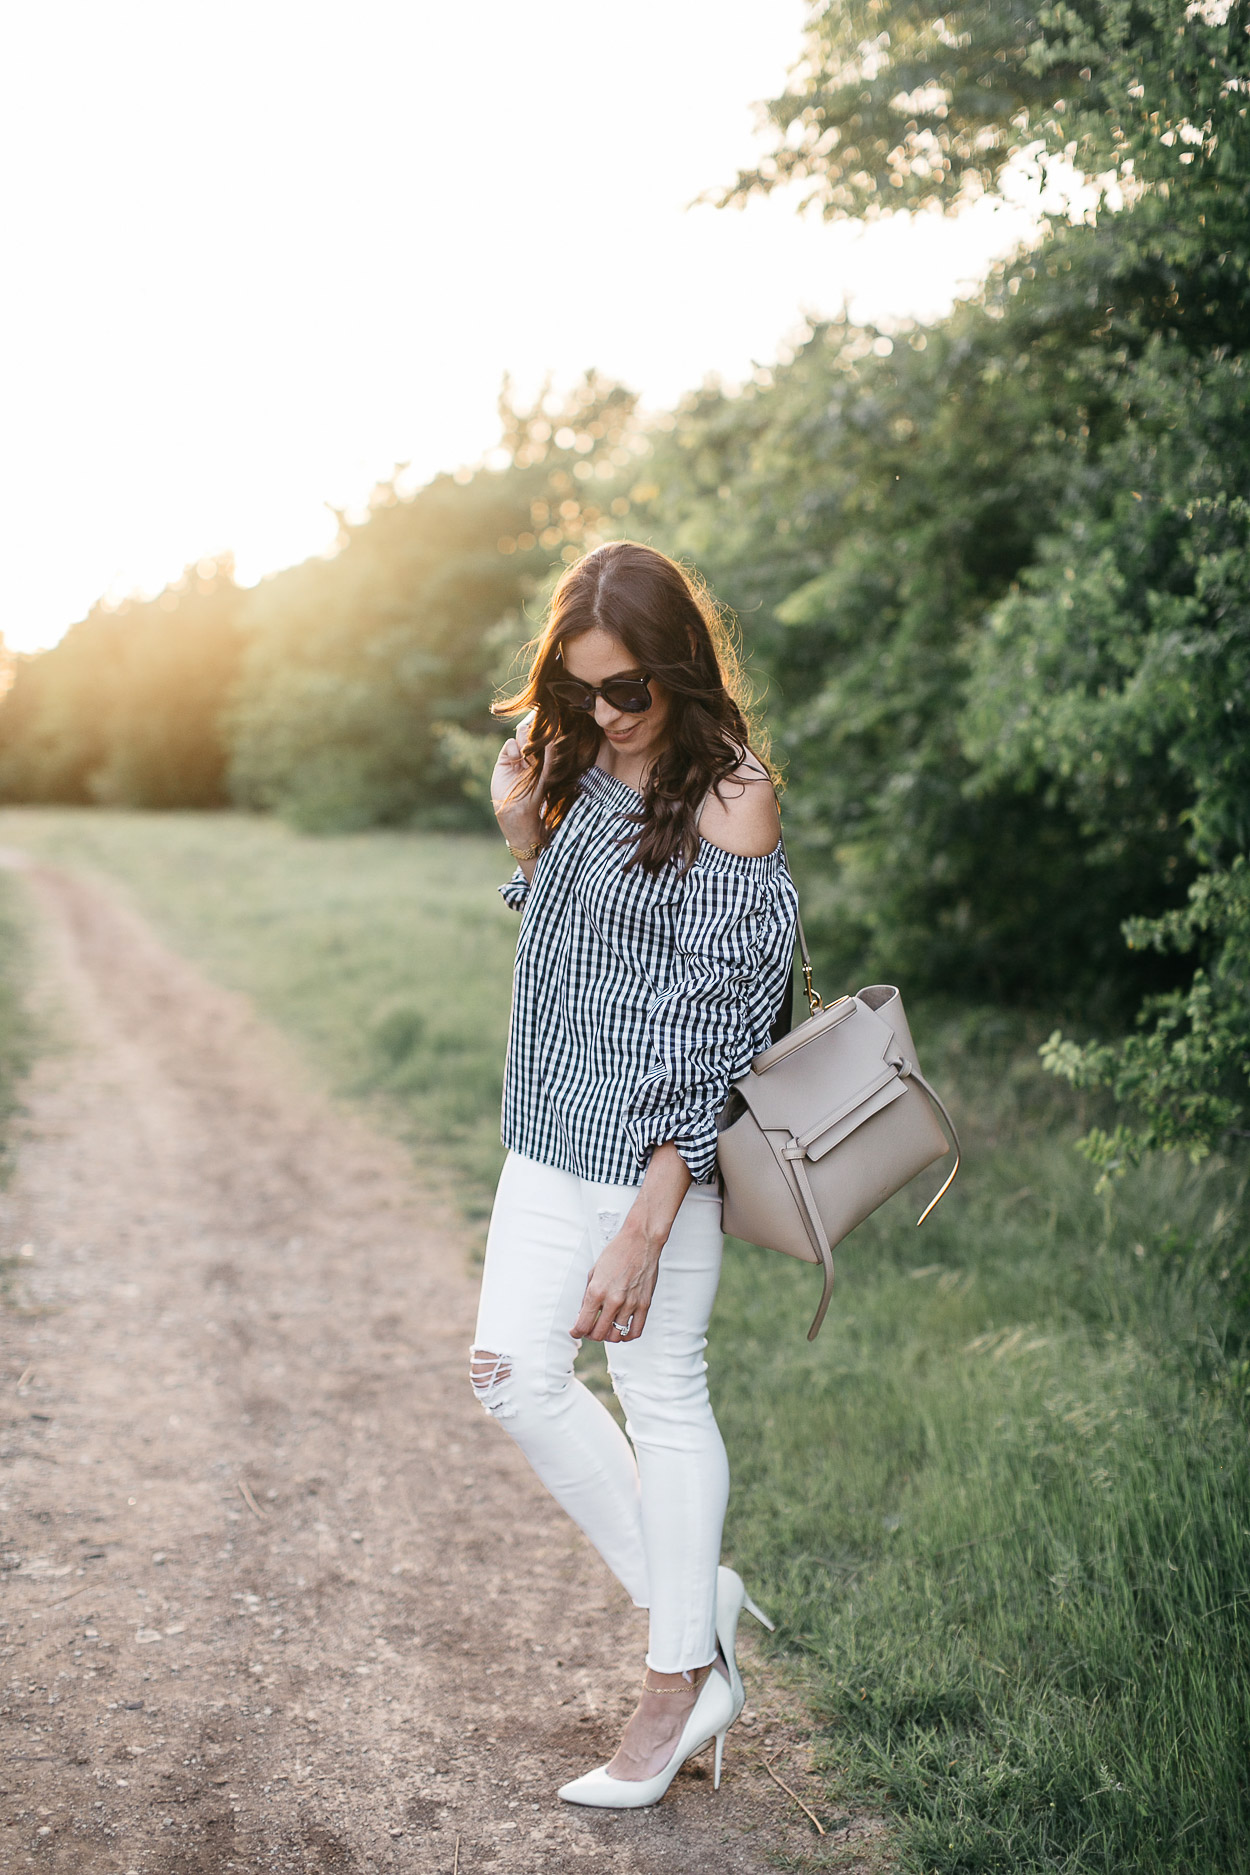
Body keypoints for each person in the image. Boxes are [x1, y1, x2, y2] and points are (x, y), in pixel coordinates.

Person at [472, 540, 798, 1809]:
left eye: (627, 689)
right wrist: (523, 835)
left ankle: (676, 1684)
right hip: (546, 1129)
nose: (606, 713)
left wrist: (648, 1224)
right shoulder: (574, 762)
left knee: (661, 1400)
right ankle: (693, 1596)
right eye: (581, 688)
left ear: (676, 667)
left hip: (654, 1156)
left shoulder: (730, 798)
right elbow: (576, 951)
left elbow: (720, 1031)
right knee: (510, 1373)